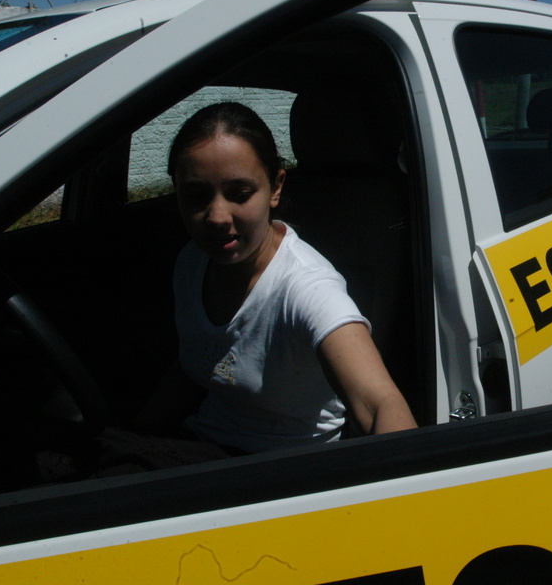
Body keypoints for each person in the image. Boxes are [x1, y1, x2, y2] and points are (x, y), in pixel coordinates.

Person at [165, 101, 416, 453]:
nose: (217, 216)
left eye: (240, 194)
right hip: (204, 445)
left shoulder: (306, 287)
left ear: (276, 187)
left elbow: (380, 403)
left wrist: (405, 475)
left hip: (285, 471)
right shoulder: (193, 261)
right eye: (196, 196)